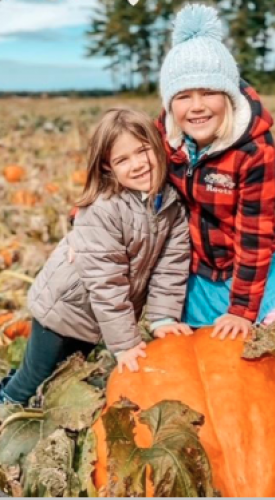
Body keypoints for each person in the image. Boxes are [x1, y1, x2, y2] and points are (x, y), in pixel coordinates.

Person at [0, 107, 191, 406]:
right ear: (107, 167)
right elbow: (107, 283)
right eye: (122, 160)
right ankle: (7, 415)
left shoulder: (172, 206)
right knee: (32, 380)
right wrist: (126, 344)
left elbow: (171, 268)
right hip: (62, 310)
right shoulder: (104, 209)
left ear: (158, 146)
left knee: (63, 380)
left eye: (143, 151)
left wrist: (163, 317)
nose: (138, 164)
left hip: (95, 321)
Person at [156, 3, 275, 340]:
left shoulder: (253, 150)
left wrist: (242, 310)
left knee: (273, 348)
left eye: (208, 92)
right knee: (198, 347)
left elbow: (255, 233)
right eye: (184, 96)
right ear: (170, 104)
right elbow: (123, 178)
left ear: (229, 97)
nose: (197, 106)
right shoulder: (164, 136)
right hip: (196, 269)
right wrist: (83, 212)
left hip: (247, 267)